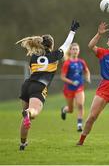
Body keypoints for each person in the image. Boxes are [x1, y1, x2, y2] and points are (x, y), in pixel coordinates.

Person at [16, 20, 80, 151]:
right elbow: (67, 44)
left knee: (26, 119)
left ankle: (23, 143)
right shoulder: (55, 55)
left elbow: (32, 71)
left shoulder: (33, 56)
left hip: (26, 85)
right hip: (39, 87)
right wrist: (72, 31)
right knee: (32, 113)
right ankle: (28, 113)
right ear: (51, 45)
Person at [60, 42, 91, 131]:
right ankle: (64, 110)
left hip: (79, 87)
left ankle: (79, 125)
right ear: (70, 51)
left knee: (80, 105)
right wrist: (72, 82)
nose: (75, 51)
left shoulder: (81, 62)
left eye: (76, 49)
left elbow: (87, 71)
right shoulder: (67, 63)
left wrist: (87, 77)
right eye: (73, 49)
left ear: (79, 51)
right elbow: (62, 77)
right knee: (71, 110)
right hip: (69, 88)